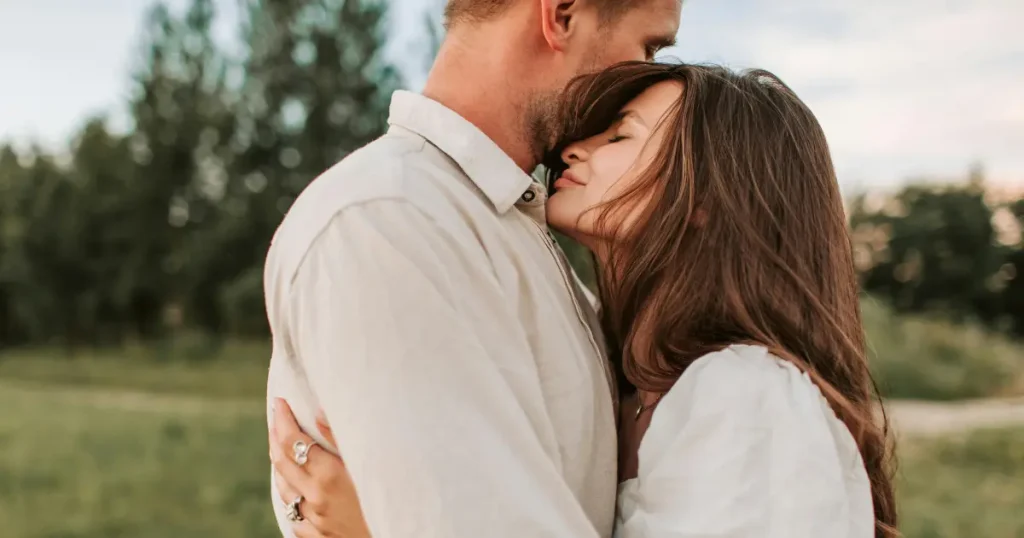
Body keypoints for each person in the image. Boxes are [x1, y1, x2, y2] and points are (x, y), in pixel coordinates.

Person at [269, 62, 900, 538]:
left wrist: (382, 525)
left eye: (621, 135)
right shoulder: (628, 380)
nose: (575, 148)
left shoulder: (747, 397)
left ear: (709, 198)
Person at [263, 0, 682, 537]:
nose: (648, 76)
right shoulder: (388, 222)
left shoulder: (505, 226)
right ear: (562, 15)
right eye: (648, 46)